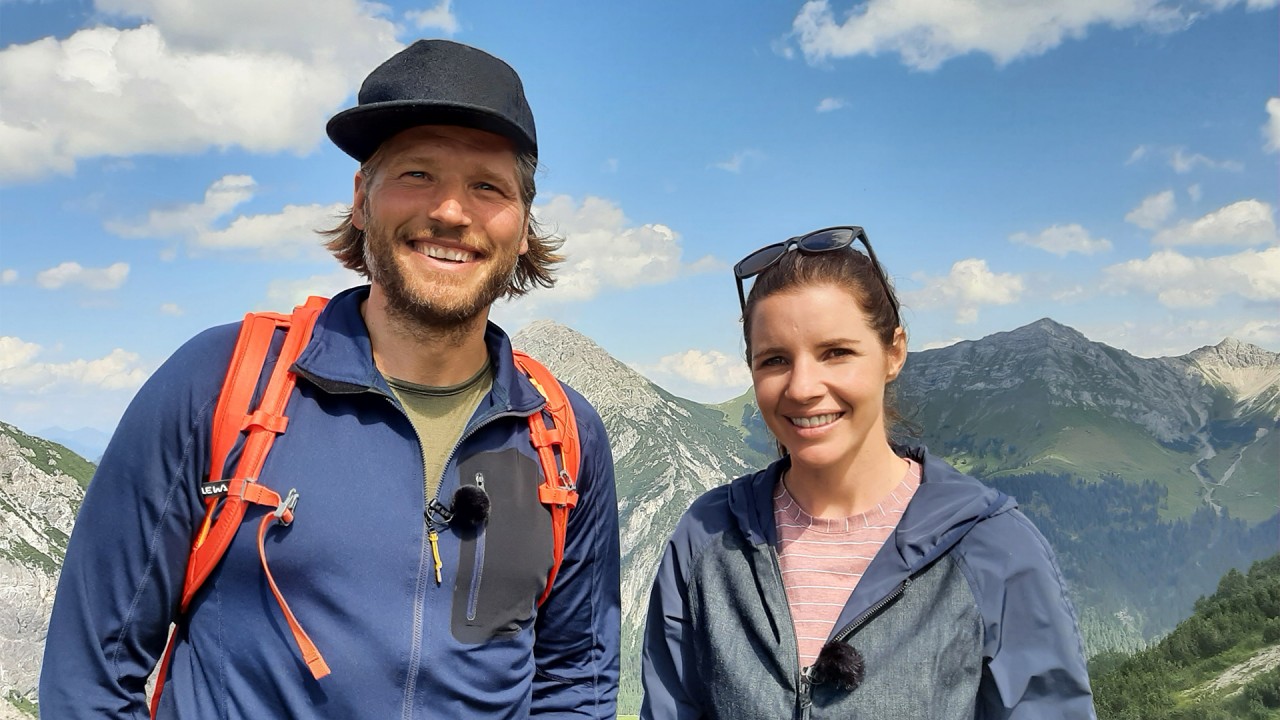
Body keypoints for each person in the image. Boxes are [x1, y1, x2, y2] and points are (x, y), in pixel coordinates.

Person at [40, 39, 620, 719]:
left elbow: (573, 683)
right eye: (417, 174)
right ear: (361, 200)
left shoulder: (563, 437)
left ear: (523, 227)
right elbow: (91, 676)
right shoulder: (222, 386)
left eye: (488, 186)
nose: (452, 212)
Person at [640, 226, 1094, 719]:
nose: (803, 386)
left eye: (836, 352)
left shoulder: (994, 548)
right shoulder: (705, 539)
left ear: (893, 352)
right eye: (774, 360)